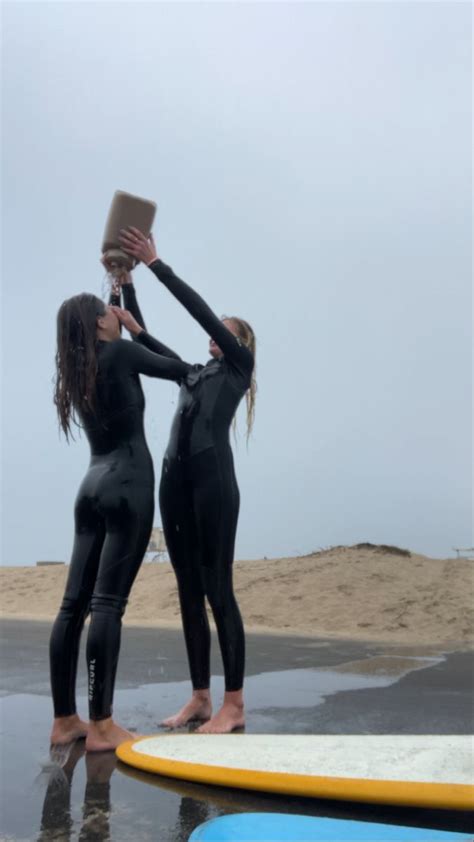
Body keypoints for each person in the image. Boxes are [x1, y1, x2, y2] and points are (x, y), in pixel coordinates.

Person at [118, 227, 257, 733]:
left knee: (218, 588)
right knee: (187, 591)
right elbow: (152, 346)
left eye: (223, 330)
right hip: (175, 484)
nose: (212, 334)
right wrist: (130, 307)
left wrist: (157, 265)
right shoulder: (194, 373)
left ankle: (234, 704)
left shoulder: (238, 367)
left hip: (213, 483)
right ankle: (201, 697)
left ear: (237, 341)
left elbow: (198, 311)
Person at [50, 293, 191, 751]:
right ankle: (103, 726)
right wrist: (137, 329)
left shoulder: (76, 374)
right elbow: (184, 370)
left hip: (89, 486)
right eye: (108, 311)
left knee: (73, 606)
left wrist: (122, 309)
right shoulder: (123, 351)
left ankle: (65, 720)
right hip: (127, 484)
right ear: (99, 323)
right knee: (107, 605)